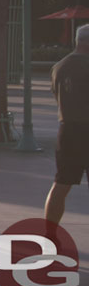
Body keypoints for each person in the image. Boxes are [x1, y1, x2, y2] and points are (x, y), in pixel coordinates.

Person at [44, 24, 89, 224]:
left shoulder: (59, 66)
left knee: (61, 184)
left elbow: (56, 95)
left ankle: (50, 233)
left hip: (68, 130)